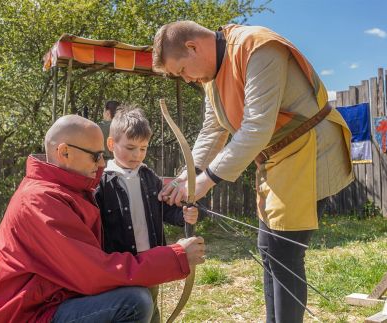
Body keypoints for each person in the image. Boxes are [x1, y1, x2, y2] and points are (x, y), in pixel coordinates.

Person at [152, 21, 354, 323]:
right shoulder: (212, 75)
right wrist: (189, 174)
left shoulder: (257, 46)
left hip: (309, 151)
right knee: (269, 250)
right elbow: (214, 128)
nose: (187, 78)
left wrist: (207, 180)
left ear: (193, 47)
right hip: (279, 161)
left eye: (182, 70)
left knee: (284, 255)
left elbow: (257, 128)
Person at [0, 114, 206, 323]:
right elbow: (93, 273)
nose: (101, 164)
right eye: (95, 156)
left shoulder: (70, 189)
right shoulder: (40, 201)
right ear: (64, 152)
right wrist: (175, 257)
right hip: (32, 313)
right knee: (134, 303)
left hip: (54, 299)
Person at [95, 106, 199, 323]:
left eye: (143, 148)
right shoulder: (102, 183)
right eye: (131, 147)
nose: (137, 155)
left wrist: (184, 216)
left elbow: (165, 210)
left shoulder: (148, 176)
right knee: (130, 310)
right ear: (111, 144)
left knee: (151, 309)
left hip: (152, 259)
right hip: (120, 265)